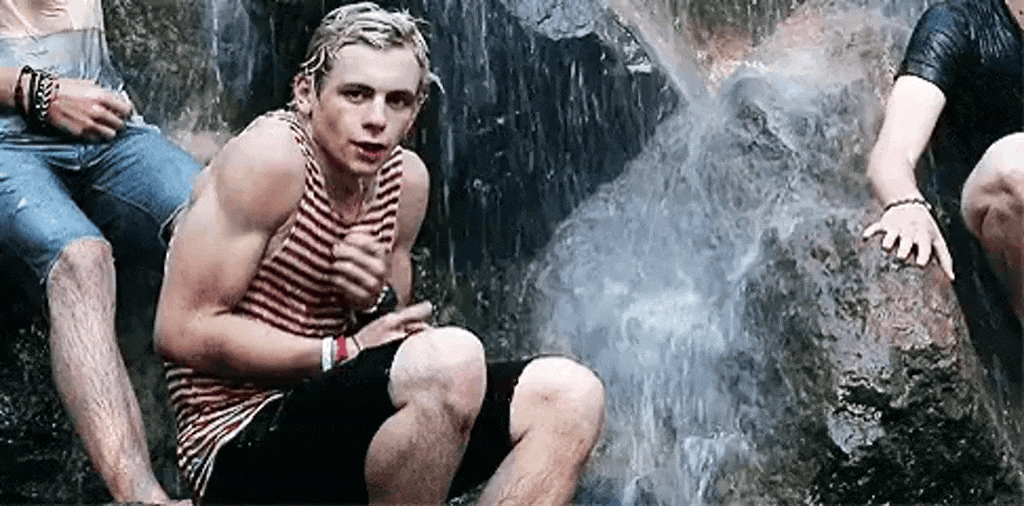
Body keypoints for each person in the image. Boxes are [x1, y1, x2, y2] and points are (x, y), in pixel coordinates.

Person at [154, 3, 606, 504]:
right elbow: (181, 331)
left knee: (570, 395)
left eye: (397, 101)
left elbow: (393, 351)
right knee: (452, 359)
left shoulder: (405, 182)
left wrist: (374, 300)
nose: (376, 119)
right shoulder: (272, 158)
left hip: (341, 426)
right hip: (237, 445)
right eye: (356, 94)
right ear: (306, 93)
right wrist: (339, 352)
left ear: (416, 111)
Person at [0, 0, 200, 503]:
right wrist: (37, 91)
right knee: (81, 260)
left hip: (109, 128)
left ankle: (231, 458)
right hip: (7, 143)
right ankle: (140, 497)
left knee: (211, 220)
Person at [862, 0, 1024, 317]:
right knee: (1014, 161)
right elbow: (893, 151)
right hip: (983, 226)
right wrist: (905, 202)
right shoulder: (956, 23)